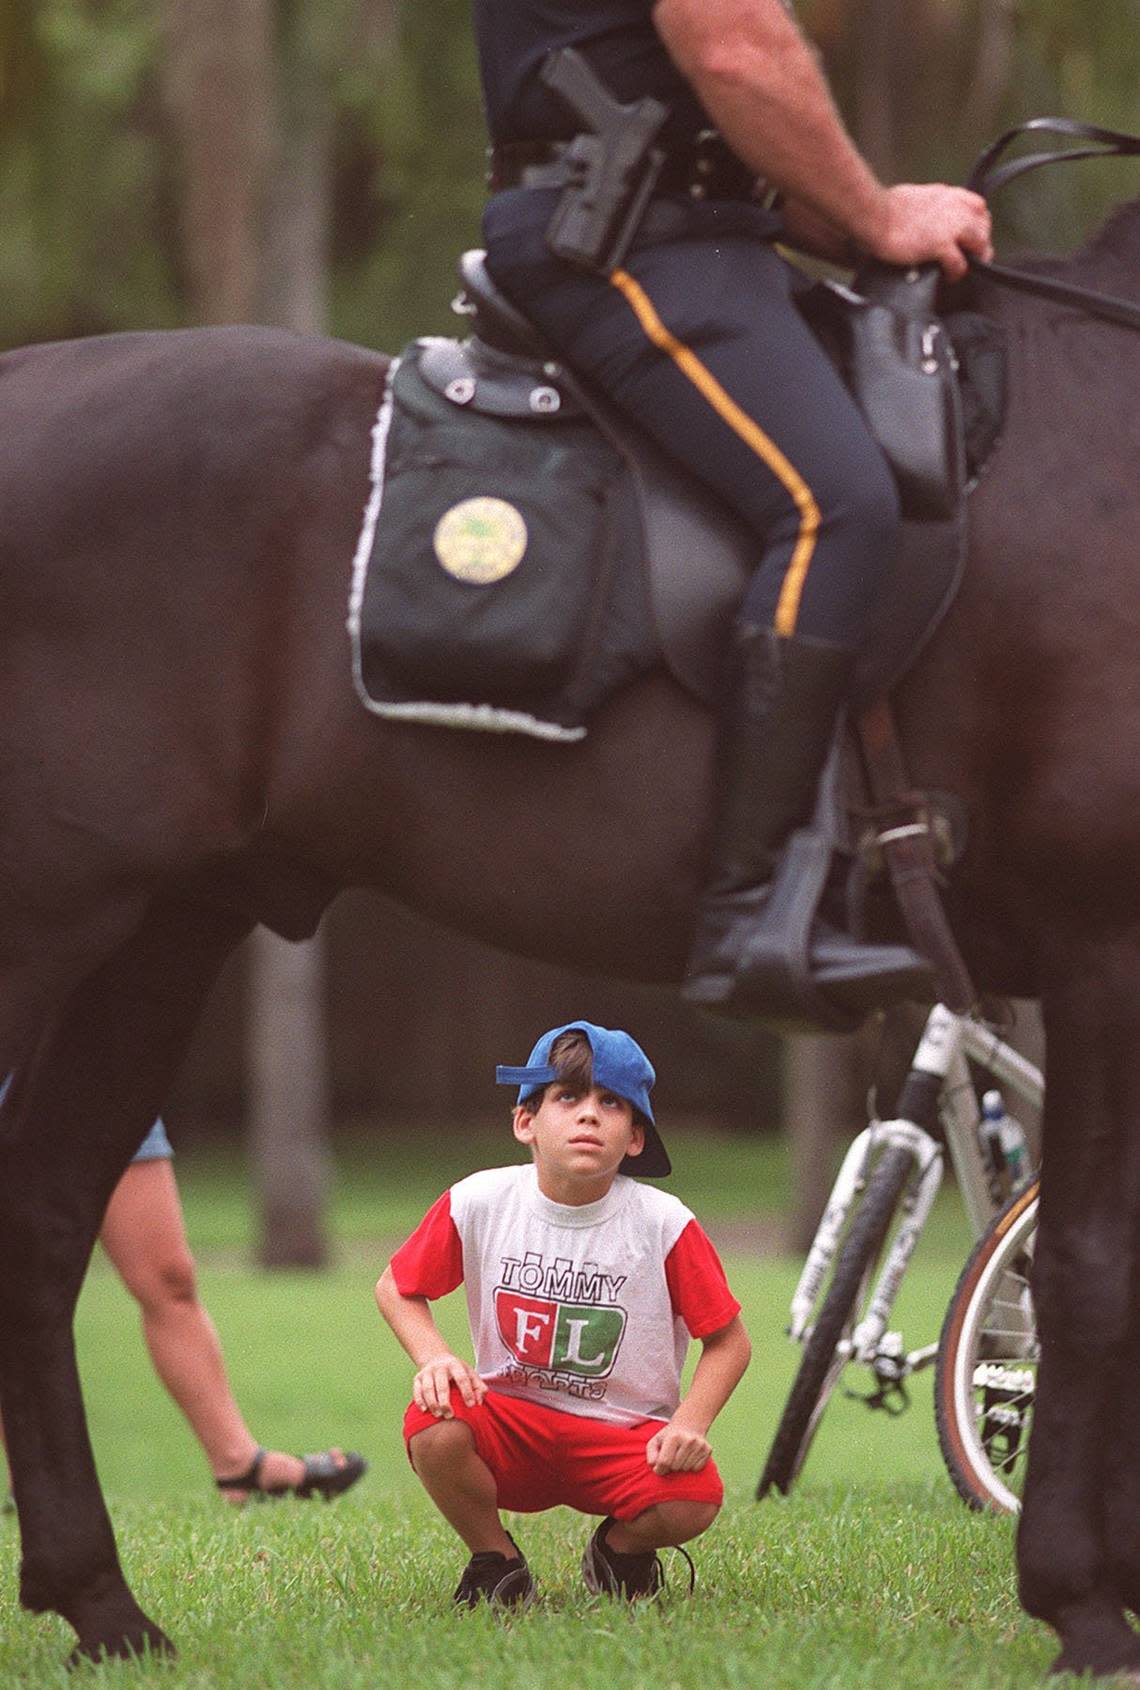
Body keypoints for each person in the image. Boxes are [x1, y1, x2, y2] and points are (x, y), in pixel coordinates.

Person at [473, 0, 994, 1019]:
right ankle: (749, 912)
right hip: (629, 242)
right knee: (832, 504)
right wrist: (880, 217)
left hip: (695, 228)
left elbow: (699, 110)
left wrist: (860, 211)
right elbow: (732, 45)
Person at [375, 1021, 750, 1607]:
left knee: (693, 1497)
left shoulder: (664, 1224)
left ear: (634, 1138)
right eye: (567, 1097)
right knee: (435, 1420)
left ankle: (619, 1552)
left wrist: (690, 1425)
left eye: (611, 1103)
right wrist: (435, 1356)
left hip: (623, 1432)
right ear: (526, 1121)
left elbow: (729, 1341)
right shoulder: (480, 1201)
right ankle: (495, 1560)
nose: (589, 1115)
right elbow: (396, 1288)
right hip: (514, 1422)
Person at [1, 1107, 366, 1506]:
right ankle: (35, 1485)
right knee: (18, 1292)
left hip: (101, 1082)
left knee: (169, 1277)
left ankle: (239, 1465)